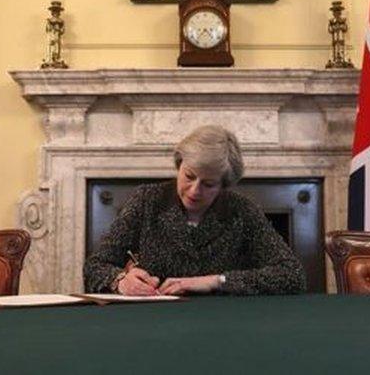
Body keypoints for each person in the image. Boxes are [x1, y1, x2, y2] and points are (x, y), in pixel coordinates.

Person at [83, 125, 306, 295]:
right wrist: (120, 281)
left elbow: (292, 275)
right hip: (154, 320)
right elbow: (95, 266)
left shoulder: (242, 211)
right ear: (179, 165)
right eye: (189, 176)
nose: (194, 190)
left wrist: (216, 281)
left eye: (208, 184)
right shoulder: (148, 200)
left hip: (224, 321)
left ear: (223, 184)